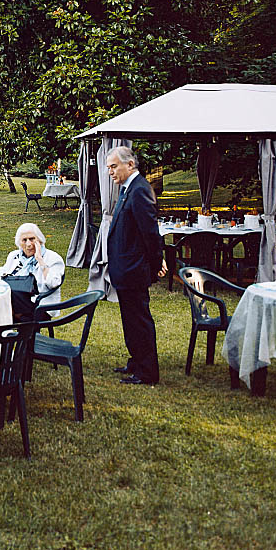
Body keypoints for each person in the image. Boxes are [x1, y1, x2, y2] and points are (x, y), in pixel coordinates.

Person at [105, 146, 167, 385]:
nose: (110, 172)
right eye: (109, 167)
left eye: (114, 166)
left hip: (133, 270)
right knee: (130, 320)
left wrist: (156, 263)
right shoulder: (127, 189)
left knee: (139, 320)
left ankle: (147, 371)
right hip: (125, 269)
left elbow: (150, 233)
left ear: (130, 165)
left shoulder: (140, 190)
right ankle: (136, 361)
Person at [0, 222, 65, 322]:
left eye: (32, 239)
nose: (28, 244)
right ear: (19, 243)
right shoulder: (14, 256)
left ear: (39, 240)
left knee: (3, 306)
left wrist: (40, 260)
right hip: (15, 301)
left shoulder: (53, 258)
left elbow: (54, 283)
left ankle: (9, 326)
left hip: (40, 305)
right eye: (24, 240)